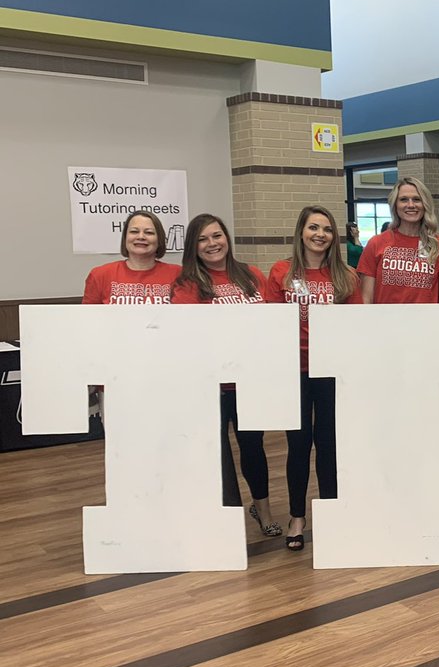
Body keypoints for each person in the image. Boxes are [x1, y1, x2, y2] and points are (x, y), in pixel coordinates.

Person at [172, 214, 280, 537]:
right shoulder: (187, 284)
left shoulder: (251, 275)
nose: (212, 244)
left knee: (253, 449)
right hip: (210, 387)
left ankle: (263, 509)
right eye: (203, 239)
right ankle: (213, 518)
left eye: (217, 236)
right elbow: (189, 335)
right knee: (211, 452)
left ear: (227, 238)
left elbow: (271, 322)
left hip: (249, 382)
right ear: (193, 246)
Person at [264, 206, 361, 551]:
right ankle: (297, 517)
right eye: (313, 228)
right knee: (299, 446)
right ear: (301, 232)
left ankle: (333, 513)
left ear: (335, 237)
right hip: (294, 371)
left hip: (331, 373)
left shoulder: (346, 277)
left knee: (330, 446)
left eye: (327, 229)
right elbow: (269, 326)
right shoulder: (280, 273)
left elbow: (355, 329)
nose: (320, 234)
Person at [358, 177, 439, 305]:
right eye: (404, 200)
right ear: (395, 205)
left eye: (416, 199)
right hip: (384, 322)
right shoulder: (376, 243)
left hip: (427, 323)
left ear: (425, 204)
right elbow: (366, 299)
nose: (411, 205)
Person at [83, 211, 179, 305]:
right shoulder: (100, 275)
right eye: (134, 231)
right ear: (125, 238)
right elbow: (87, 318)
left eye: (149, 233)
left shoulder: (178, 275)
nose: (141, 237)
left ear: (160, 239)